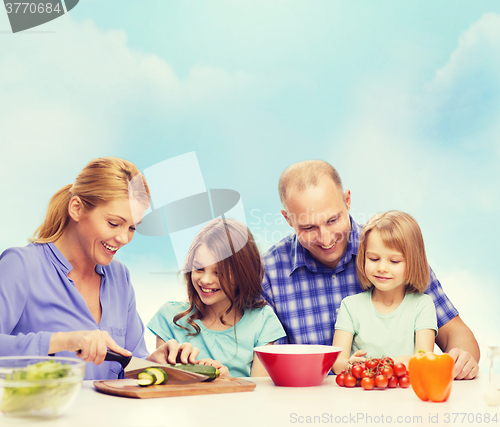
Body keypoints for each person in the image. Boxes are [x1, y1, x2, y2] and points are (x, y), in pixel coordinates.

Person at [261, 159, 480, 379]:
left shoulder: (392, 250)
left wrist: (461, 357)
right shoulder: (269, 271)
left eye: (333, 220)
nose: (326, 238)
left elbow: (455, 331)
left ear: (347, 201)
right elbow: (262, 359)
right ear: (288, 219)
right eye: (308, 227)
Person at [0, 157, 198, 380]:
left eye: (132, 227)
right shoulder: (21, 265)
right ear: (76, 208)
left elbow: (128, 361)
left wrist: (156, 363)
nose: (124, 238)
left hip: (110, 415)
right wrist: (64, 341)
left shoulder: (119, 277)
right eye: (114, 223)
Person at [148, 218, 286, 377]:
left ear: (244, 273)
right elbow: (160, 384)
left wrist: (227, 382)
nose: (206, 280)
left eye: (219, 272)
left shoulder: (262, 321)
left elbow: (261, 392)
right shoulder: (170, 317)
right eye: (199, 268)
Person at [332, 211, 437, 374]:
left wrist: (411, 361)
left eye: (394, 261)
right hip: (360, 394)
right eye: (373, 259)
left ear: (413, 261)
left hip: (404, 395)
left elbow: (425, 358)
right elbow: (337, 362)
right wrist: (348, 364)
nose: (382, 268)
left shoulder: (422, 305)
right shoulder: (350, 306)